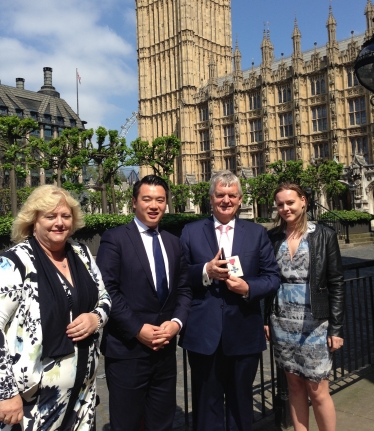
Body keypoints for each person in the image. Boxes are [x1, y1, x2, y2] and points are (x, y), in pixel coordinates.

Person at [0, 185, 111, 431]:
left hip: (83, 395)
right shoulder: (14, 263)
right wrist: (5, 393)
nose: (59, 223)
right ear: (33, 221)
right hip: (34, 402)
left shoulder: (81, 254)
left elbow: (105, 298)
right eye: (50, 216)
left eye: (65, 216)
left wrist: (96, 318)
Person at [179, 170, 280, 431]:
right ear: (210, 198)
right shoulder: (190, 232)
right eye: (220, 195)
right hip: (204, 334)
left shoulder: (257, 233)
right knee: (206, 405)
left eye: (232, 195)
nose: (226, 200)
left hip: (244, 332)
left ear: (240, 199)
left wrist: (248, 287)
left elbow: (272, 277)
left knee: (240, 404)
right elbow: (179, 276)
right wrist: (205, 271)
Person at [97, 175, 191, 431]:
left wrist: (176, 323)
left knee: (161, 422)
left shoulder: (174, 242)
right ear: (134, 202)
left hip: (165, 350)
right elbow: (108, 290)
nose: (154, 205)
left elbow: (183, 289)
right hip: (127, 351)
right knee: (126, 423)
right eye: (147, 199)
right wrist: (138, 328)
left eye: (160, 200)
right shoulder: (114, 238)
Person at [265, 183, 345, 431]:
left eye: (290, 202)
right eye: (280, 204)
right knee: (295, 386)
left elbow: (336, 283)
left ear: (303, 201)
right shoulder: (273, 237)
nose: (285, 208)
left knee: (318, 389)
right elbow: (269, 281)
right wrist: (266, 319)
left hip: (315, 323)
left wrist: (336, 329)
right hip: (282, 322)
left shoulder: (323, 235)